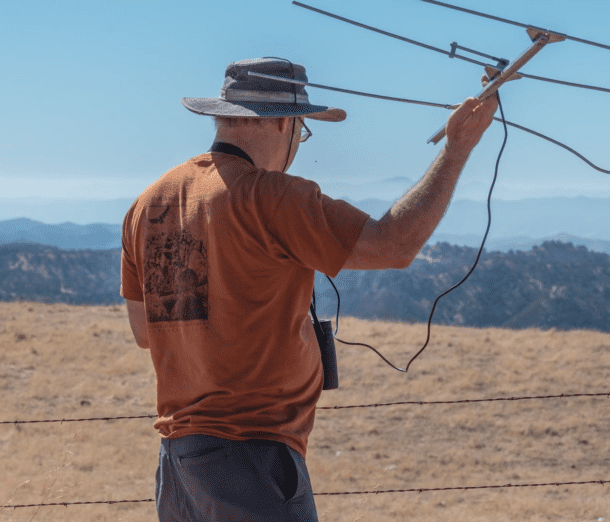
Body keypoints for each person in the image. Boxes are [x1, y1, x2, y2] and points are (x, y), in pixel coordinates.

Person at [119, 57, 498, 521]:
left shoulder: (149, 203)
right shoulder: (274, 198)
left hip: (179, 466)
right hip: (252, 461)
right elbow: (395, 245)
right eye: (302, 129)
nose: (299, 141)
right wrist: (457, 149)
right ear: (282, 122)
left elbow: (144, 329)